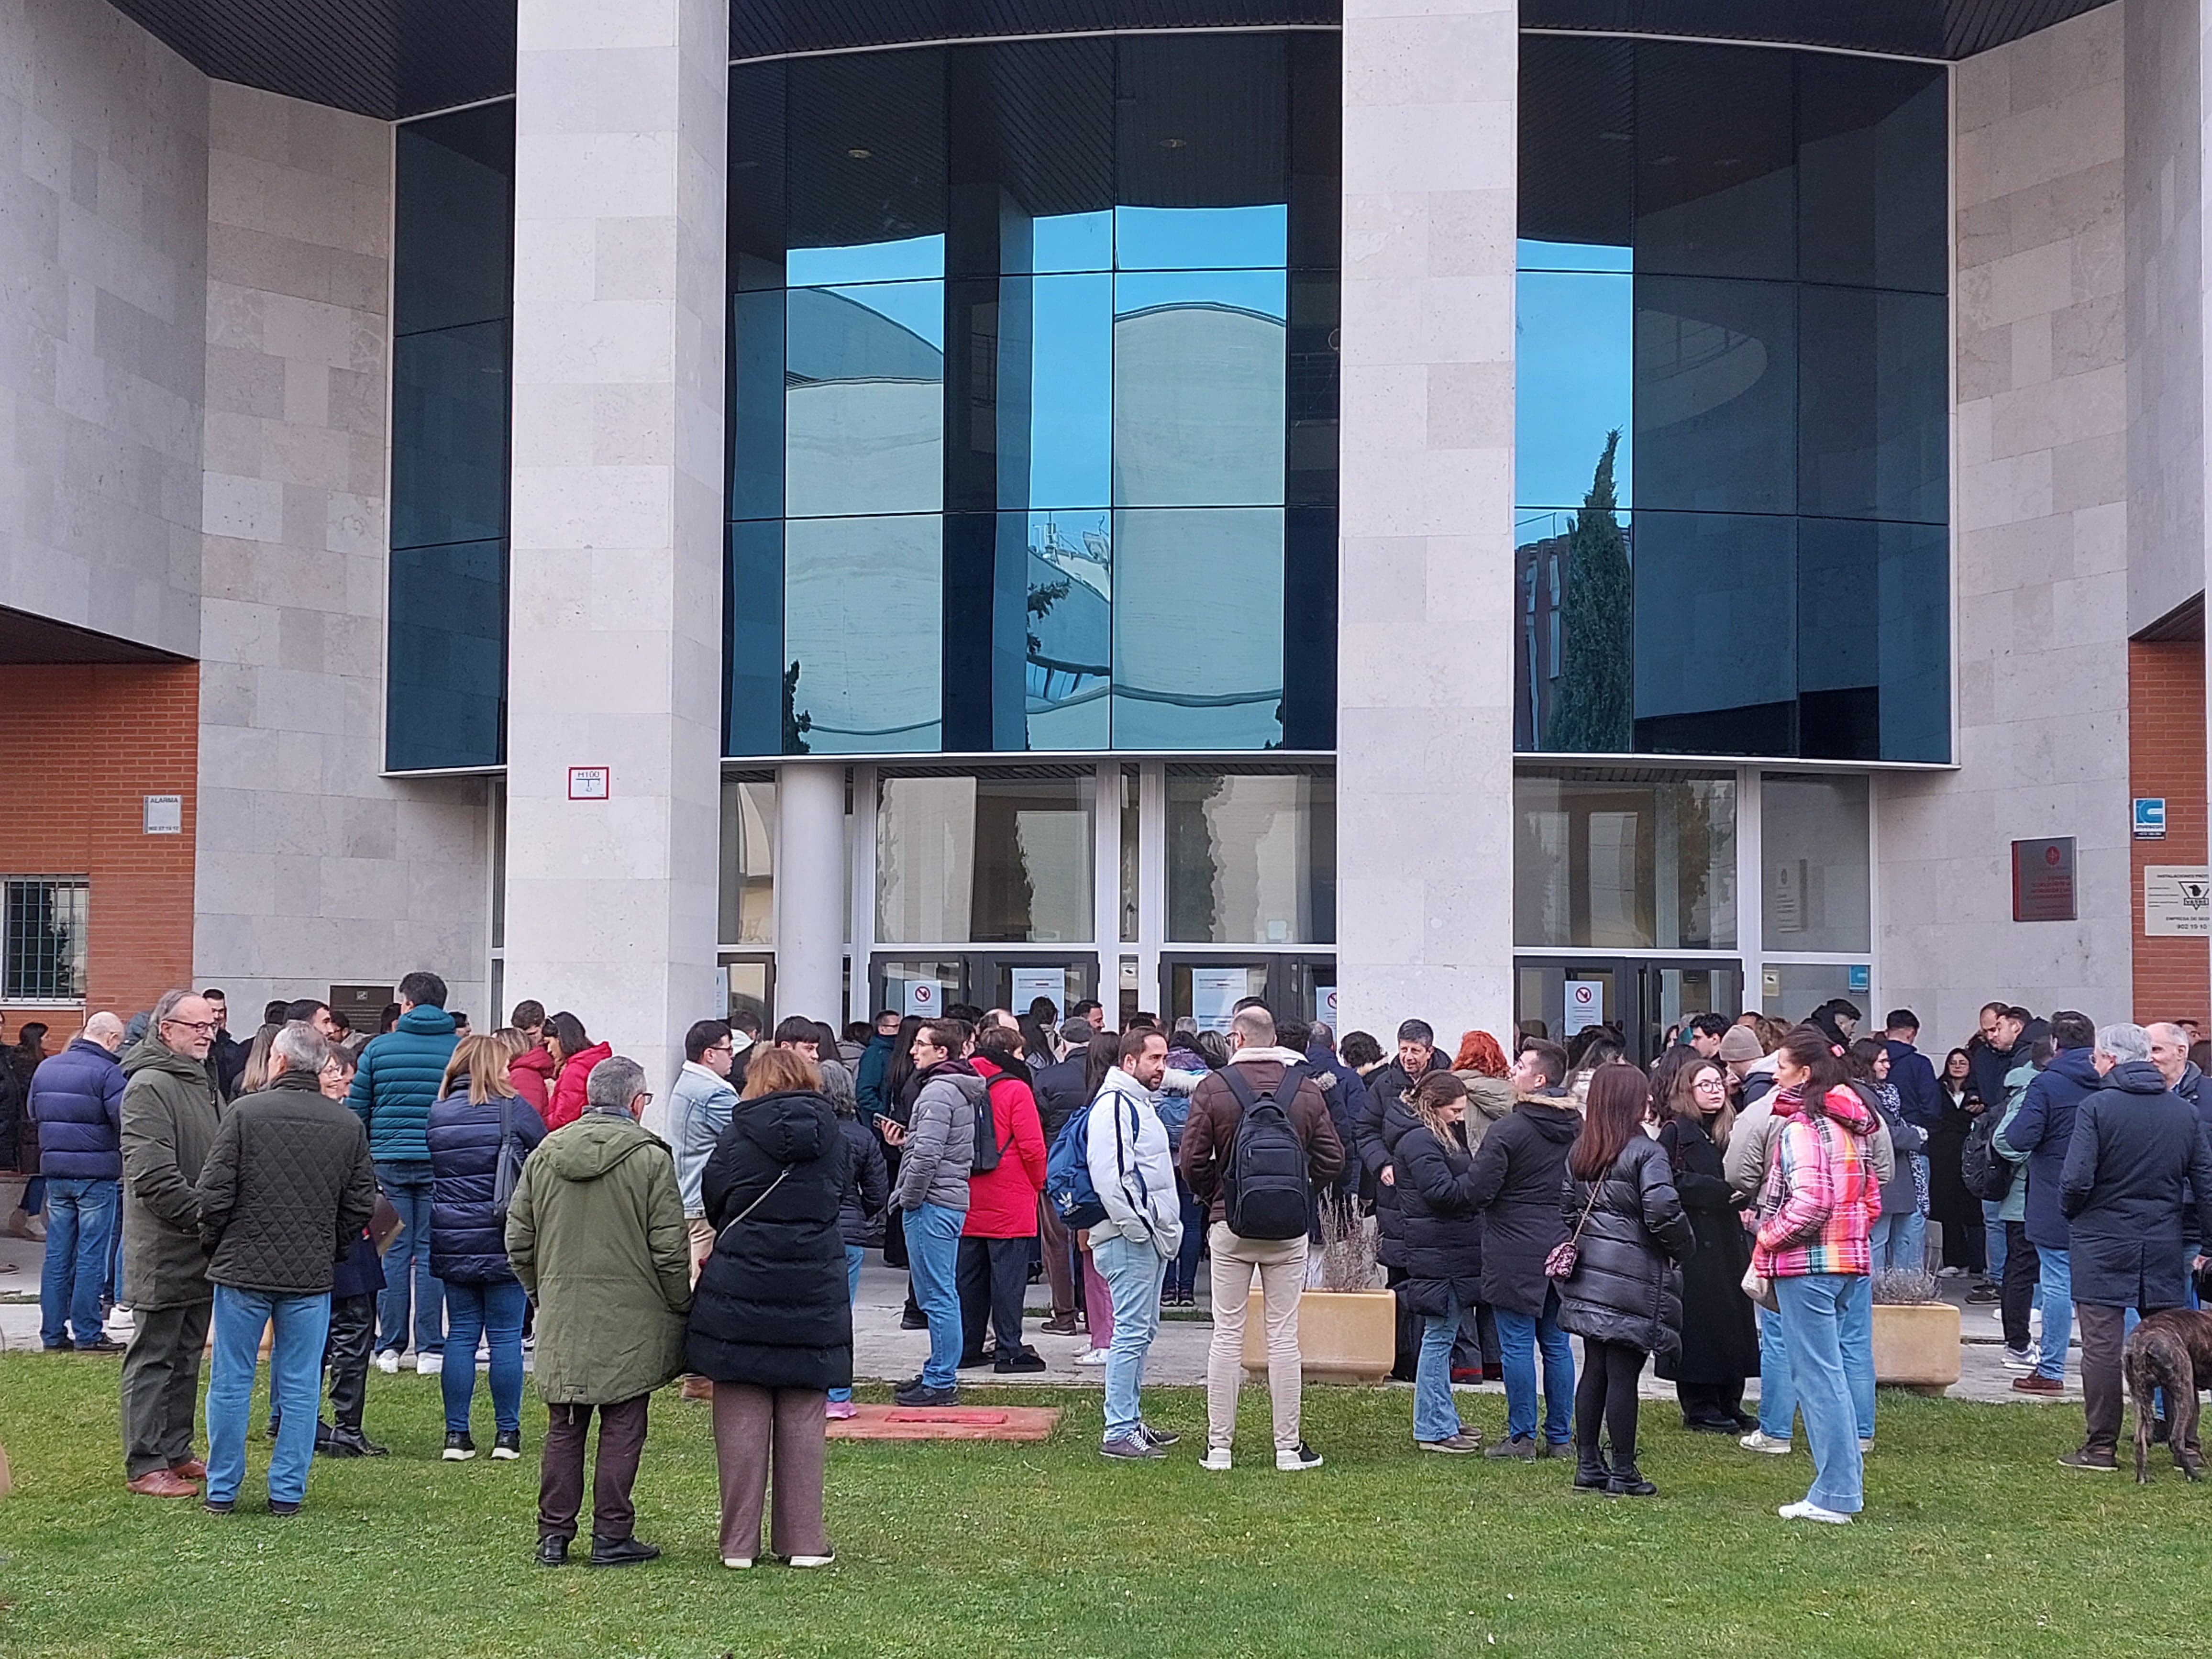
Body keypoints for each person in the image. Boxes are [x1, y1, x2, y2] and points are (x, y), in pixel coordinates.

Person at [506, 1055, 691, 1568]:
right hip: (631, 1314)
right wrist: (680, 1304)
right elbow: (670, 1248)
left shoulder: (547, 1152)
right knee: (624, 1423)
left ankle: (553, 1535)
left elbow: (518, 1238)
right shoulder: (651, 1159)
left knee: (564, 1426)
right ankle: (611, 1533)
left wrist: (543, 1294)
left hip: (565, 1308)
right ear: (636, 1103)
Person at [196, 1023, 376, 1515]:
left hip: (243, 1268)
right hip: (309, 1273)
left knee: (231, 1380)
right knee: (299, 1384)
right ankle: (286, 1491)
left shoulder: (244, 1114)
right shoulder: (346, 1125)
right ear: (321, 1066)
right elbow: (360, 1204)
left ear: (277, 1062)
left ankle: (222, 1488)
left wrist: (217, 1246)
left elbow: (213, 1196)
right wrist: (330, 1246)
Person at [686, 1047, 851, 1569]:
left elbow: (716, 1200)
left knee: (739, 1408)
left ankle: (738, 1544)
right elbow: (841, 1195)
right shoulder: (834, 1139)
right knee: (803, 1413)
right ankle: (803, 1540)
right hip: (813, 1282)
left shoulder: (737, 1136)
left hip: (742, 1282)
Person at [1180, 1005, 1345, 1472]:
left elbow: (1191, 1160)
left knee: (1227, 1334)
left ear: (1237, 1039)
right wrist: (1298, 1188)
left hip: (1229, 1224)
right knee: (1282, 1337)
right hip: (1288, 1230)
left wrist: (1217, 1191)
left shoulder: (1214, 1089)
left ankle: (1219, 1449)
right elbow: (1333, 1158)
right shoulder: (1306, 1089)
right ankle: (1287, 1449)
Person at [2054, 1023, 2212, 1471]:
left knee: (2102, 1346)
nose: (2095, 1063)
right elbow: (2205, 1184)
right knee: (2176, 1343)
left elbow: (2076, 1179)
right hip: (2163, 1239)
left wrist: (2075, 1213)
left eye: (2098, 1057)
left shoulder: (2097, 1107)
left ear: (2112, 1059)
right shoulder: (2183, 1113)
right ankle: (2188, 1445)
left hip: (2101, 1239)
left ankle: (2101, 1447)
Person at [1752, 1026, 1882, 1524]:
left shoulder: (1802, 1128)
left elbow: (1809, 1202)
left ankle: (1835, 1494)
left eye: (1781, 1068)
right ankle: (1840, 1488)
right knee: (1836, 1375)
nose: (1775, 1075)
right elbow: (1869, 1198)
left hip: (1808, 1266)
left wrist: (1767, 1235)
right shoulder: (1852, 1126)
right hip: (1847, 1261)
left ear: (1804, 1074)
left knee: (1818, 1380)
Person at [1554, 1062, 1692, 1498]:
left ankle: (1588, 1464)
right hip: (1633, 1275)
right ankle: (1624, 1471)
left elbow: (1567, 1210)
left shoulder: (1581, 1149)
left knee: (1594, 1368)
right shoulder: (1645, 1152)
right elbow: (1663, 1212)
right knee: (1624, 1373)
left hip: (1591, 1272)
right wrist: (1683, 1249)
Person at [117, 991, 225, 1498]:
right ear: (167, 1030)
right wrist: (203, 1218)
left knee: (187, 1357)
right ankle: (145, 1463)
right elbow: (152, 1175)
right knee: (153, 1357)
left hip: (199, 1247)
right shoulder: (149, 1086)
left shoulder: (203, 1083)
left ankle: (176, 1450)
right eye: (197, 1025)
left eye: (213, 1024)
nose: (207, 1033)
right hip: (164, 1245)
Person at [427, 1033, 548, 1461]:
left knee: (459, 1335)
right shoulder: (513, 1109)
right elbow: (543, 1149)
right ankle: (507, 1435)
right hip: (502, 1234)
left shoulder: (439, 1112)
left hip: (452, 1234)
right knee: (504, 1338)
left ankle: (456, 1436)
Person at [1467, 1038, 1580, 1460]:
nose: (1512, 1072)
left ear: (1540, 1079)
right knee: (1556, 1344)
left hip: (1513, 1248)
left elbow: (1479, 1189)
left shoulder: (1509, 1130)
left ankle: (1521, 1437)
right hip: (1562, 1247)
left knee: (1516, 1345)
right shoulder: (1578, 1127)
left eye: (1520, 1066)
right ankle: (1561, 1437)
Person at [347, 969, 459, 1374]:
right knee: (432, 1251)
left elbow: (358, 1108)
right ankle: (431, 1347)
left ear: (407, 1004)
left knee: (393, 1249)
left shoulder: (380, 1049)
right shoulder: (458, 1051)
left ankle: (390, 1346)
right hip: (441, 1159)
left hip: (389, 1158)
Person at [1085, 1027, 1183, 1459]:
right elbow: (1112, 1178)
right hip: (1130, 1238)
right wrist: (1142, 1227)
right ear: (1130, 1063)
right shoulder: (1116, 1106)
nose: (1162, 1067)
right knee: (1129, 1333)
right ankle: (1119, 1429)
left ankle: (1130, 1421)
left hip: (1145, 1235)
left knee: (1141, 1332)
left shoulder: (1137, 1103)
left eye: (1165, 1059)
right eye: (1155, 1059)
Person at [1653, 1058, 1756, 1431]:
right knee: (1700, 1320)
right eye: (1705, 1085)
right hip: (1695, 1237)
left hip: (1728, 1237)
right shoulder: (1676, 1132)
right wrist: (1718, 1192)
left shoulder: (1733, 1129)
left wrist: (1740, 1194)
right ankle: (1700, 1404)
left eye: (1718, 1084)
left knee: (1732, 1316)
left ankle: (1731, 1398)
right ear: (1689, 1091)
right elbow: (1668, 1181)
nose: (1715, 1091)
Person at [884, 1019, 980, 1406]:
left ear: (943, 1052)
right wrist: (907, 1140)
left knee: (939, 1296)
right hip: (942, 1200)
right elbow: (928, 1146)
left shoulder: (938, 1092)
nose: (912, 1050)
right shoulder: (948, 1089)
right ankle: (937, 1371)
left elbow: (927, 1157)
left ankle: (941, 1380)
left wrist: (908, 1198)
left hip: (933, 1203)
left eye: (921, 1044)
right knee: (936, 1295)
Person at [2002, 1010, 2099, 1396]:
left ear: (2056, 1045)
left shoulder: (2047, 1085)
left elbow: (2018, 1138)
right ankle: (2129, 1362)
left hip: (2054, 1195)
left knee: (2057, 1281)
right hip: (2102, 1198)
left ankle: (2052, 1369)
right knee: (2114, 1287)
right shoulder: (2110, 1082)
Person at [1392, 1070, 1484, 1454]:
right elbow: (1441, 1193)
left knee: (1442, 1336)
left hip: (1446, 1248)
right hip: (1439, 1251)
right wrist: (1480, 1184)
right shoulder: (1419, 1141)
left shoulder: (1435, 1137)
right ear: (1435, 1106)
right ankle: (1432, 1427)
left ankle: (1442, 1417)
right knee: (1438, 1338)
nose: (1460, 1117)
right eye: (1455, 1109)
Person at [29, 1012, 127, 1354]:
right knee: (91, 1255)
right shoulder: (108, 1073)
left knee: (57, 1254)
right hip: (96, 1174)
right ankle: (88, 1332)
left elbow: (33, 1113)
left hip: (55, 1172)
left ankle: (52, 1333)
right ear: (112, 1038)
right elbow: (124, 1119)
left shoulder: (47, 1068)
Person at [961, 1028, 1049, 1373]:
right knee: (1008, 1282)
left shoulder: (960, 1083)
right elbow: (1031, 1146)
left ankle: (968, 1348)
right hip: (1010, 1196)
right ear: (1009, 1054)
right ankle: (1009, 1349)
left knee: (969, 1279)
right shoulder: (1015, 1088)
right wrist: (1039, 1183)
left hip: (967, 1194)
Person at [312, 1047, 386, 1457]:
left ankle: (305, 1419)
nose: (343, 1080)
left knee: (334, 1334)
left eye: (346, 1073)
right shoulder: (343, 1124)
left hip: (323, 1240)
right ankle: (344, 1425)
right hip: (344, 1239)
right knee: (349, 1333)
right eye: (334, 1072)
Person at [827, 1061, 889, 1419]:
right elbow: (877, 1190)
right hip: (848, 1231)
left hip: (812, 1230)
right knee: (841, 1314)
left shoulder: (809, 1133)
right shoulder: (861, 1135)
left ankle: (808, 1388)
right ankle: (838, 1393)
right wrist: (862, 1215)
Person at [668, 1019, 740, 1286]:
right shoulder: (711, 1093)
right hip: (703, 1202)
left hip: (691, 1196)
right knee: (702, 1282)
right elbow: (747, 1133)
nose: (733, 1057)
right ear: (710, 1054)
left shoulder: (691, 1083)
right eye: (729, 1051)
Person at [1847, 1039, 1926, 1274]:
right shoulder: (1859, 1093)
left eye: (1888, 1061)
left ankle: (1897, 1292)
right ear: (1866, 1063)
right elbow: (1877, 1132)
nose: (1887, 1066)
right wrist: (1914, 1135)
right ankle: (1877, 1295)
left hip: (1895, 1176)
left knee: (1900, 1239)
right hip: (1880, 1177)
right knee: (1878, 1241)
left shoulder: (1880, 1092)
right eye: (1882, 1061)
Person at [1926, 1046, 1985, 1278]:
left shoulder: (1979, 1091)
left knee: (1973, 1210)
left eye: (1963, 1062)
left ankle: (1977, 1264)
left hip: (1972, 1155)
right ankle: (1954, 1261)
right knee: (1948, 1208)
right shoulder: (1937, 1090)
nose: (1958, 1066)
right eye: (1954, 1062)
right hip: (1944, 1156)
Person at [541, 1012, 612, 1133]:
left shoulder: (575, 1070)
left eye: (548, 1043)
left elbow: (563, 1119)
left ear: (561, 1039)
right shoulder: (593, 1061)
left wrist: (539, 1123)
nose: (548, 1050)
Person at [854, 1010, 901, 1122]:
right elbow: (865, 1091)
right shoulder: (875, 1053)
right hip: (880, 1122)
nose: (899, 1030)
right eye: (895, 1026)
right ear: (882, 1029)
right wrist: (883, 1113)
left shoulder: (897, 1051)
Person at [204, 990, 250, 1099]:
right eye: (213, 1011)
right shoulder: (194, 1046)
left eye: (221, 1011)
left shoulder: (233, 1049)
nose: (217, 1016)